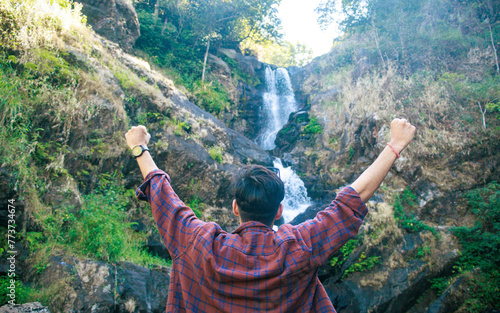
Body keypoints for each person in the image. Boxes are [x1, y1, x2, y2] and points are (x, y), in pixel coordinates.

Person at [125, 118, 416, 312]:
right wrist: (395, 145)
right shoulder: (299, 247)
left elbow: (163, 196)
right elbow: (352, 199)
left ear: (235, 207)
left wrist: (140, 147)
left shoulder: (198, 242)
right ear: (279, 212)